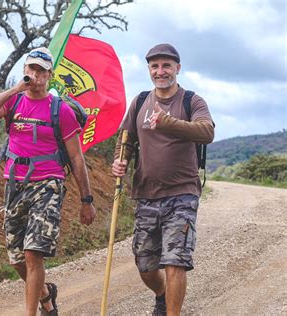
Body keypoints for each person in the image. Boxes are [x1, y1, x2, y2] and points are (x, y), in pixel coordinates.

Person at [0, 47, 96, 316]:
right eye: (31, 69)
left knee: (33, 253)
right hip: (15, 185)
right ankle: (45, 295)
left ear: (50, 75)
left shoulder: (60, 110)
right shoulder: (14, 102)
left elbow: (77, 158)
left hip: (48, 184)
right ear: (25, 71)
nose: (36, 74)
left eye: (41, 70)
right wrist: (14, 89)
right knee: (16, 258)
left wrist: (86, 199)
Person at [112, 43, 214, 316]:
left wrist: (168, 122)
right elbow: (125, 139)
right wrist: (120, 160)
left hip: (182, 194)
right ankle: (161, 294)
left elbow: (206, 132)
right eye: (155, 66)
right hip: (146, 194)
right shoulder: (141, 101)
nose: (160, 71)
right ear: (149, 70)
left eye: (166, 65)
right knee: (145, 265)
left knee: (175, 261)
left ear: (177, 68)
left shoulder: (192, 101)